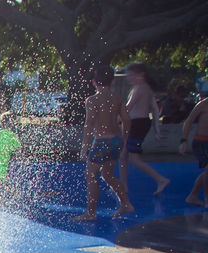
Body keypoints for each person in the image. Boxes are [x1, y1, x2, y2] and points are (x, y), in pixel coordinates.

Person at [76, 65, 134, 221]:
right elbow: (127, 120)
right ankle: (126, 203)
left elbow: (89, 124)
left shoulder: (92, 100)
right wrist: (125, 141)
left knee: (90, 175)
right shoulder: (117, 99)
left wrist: (84, 147)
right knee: (107, 174)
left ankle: (90, 213)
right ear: (113, 81)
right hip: (116, 141)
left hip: (102, 142)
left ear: (94, 82)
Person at [122, 63, 170, 195]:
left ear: (140, 75)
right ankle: (123, 186)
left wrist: (113, 120)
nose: (128, 78)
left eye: (130, 75)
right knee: (123, 155)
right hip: (141, 123)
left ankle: (161, 179)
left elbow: (129, 107)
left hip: (137, 123)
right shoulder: (147, 88)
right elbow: (154, 109)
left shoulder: (139, 88)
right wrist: (156, 129)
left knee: (133, 158)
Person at [179, 95, 208, 207]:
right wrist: (183, 141)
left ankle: (193, 196)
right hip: (201, 142)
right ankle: (207, 199)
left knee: (207, 172)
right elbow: (189, 122)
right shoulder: (203, 104)